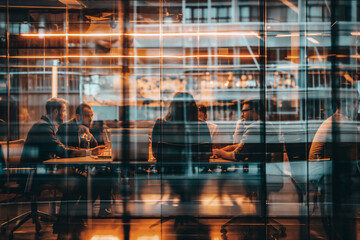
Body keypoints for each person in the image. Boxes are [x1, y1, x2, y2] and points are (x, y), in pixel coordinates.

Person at [20, 98, 102, 237]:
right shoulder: (43, 128)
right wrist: (88, 152)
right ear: (56, 111)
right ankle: (66, 222)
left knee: (82, 179)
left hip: (41, 171)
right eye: (63, 111)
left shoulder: (47, 126)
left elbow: (60, 149)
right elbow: (60, 150)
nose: (64, 115)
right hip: (34, 175)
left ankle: (69, 221)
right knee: (82, 182)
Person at [309, 87, 359, 240]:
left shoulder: (330, 122)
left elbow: (313, 156)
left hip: (326, 178)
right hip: (336, 181)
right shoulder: (346, 125)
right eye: (356, 103)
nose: (357, 106)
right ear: (347, 104)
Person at [151, 92, 212, 202]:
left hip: (168, 172)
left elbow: (155, 153)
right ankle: (187, 207)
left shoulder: (160, 124)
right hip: (195, 172)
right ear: (194, 109)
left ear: (172, 107)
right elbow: (207, 153)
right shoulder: (202, 125)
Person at [57, 103, 111, 216]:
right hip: (67, 168)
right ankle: (76, 215)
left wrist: (90, 135)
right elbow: (65, 151)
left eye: (92, 115)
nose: (91, 119)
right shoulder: (66, 128)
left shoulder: (88, 130)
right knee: (93, 180)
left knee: (105, 173)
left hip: (82, 167)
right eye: (87, 116)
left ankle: (103, 210)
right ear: (77, 117)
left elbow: (95, 148)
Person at [213, 98, 281, 162]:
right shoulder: (264, 124)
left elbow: (237, 155)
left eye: (244, 111)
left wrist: (220, 152)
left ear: (253, 110)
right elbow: (244, 145)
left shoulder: (254, 128)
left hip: (260, 171)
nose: (242, 115)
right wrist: (228, 148)